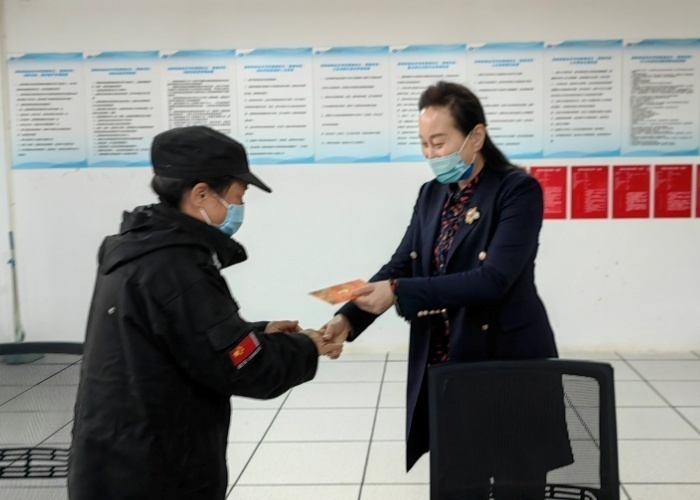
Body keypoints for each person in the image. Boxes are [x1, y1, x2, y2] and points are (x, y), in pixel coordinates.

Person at [322, 81, 573, 498]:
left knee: (517, 479)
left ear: (476, 136)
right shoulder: (431, 195)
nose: (430, 154)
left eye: (439, 142)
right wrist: (347, 319)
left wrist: (398, 290)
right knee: (457, 481)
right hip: (447, 362)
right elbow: (402, 263)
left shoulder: (516, 190)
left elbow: (493, 279)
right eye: (423, 144)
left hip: (507, 360)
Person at [68, 126, 342, 500]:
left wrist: (258, 332)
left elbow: (181, 336)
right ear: (200, 194)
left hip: (112, 459)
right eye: (237, 197)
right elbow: (246, 367)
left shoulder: (138, 247)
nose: (239, 208)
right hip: (155, 473)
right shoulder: (178, 267)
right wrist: (308, 346)